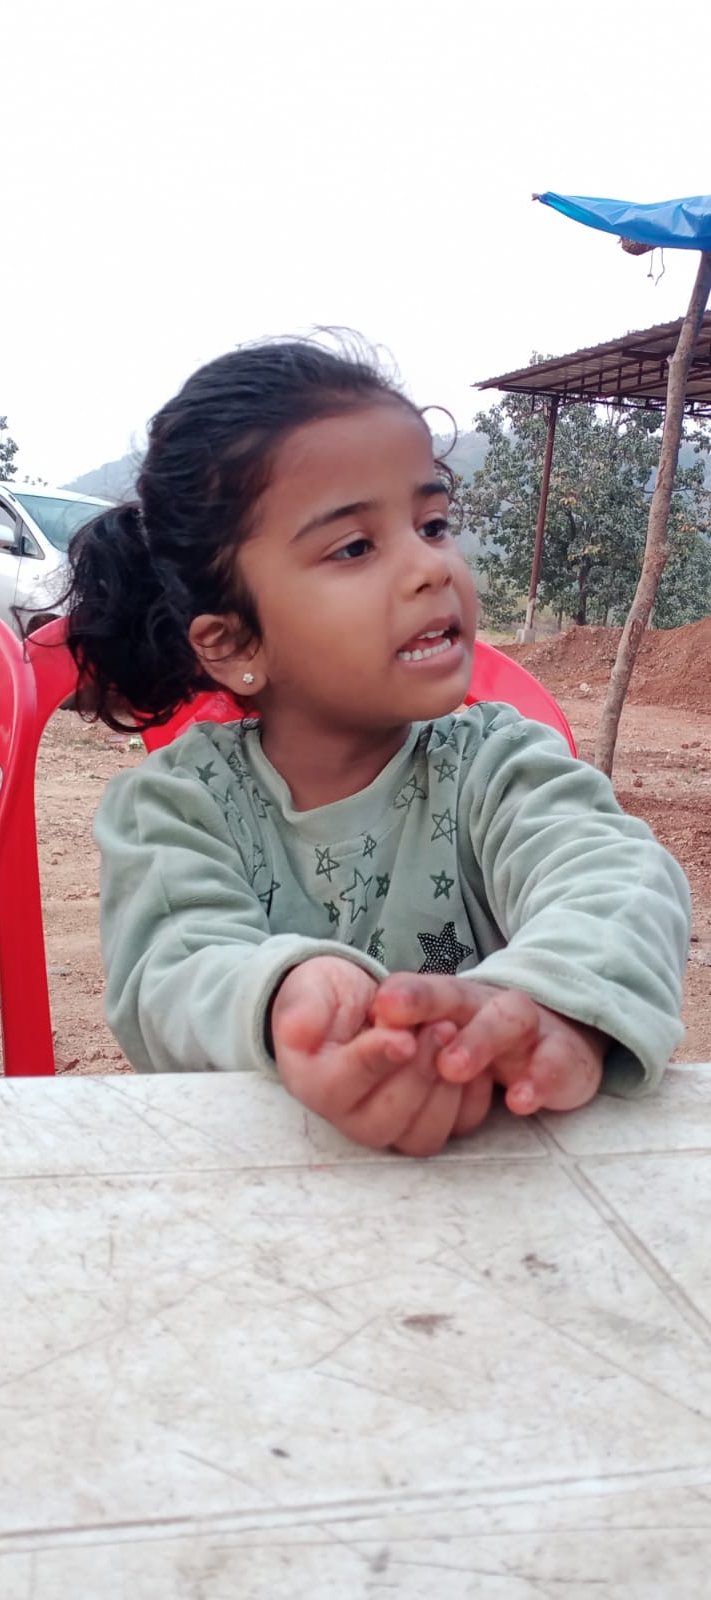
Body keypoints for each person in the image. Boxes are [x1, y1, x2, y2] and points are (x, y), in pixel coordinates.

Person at [64, 339, 691, 1156]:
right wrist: (286, 996)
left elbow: (619, 879)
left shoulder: (497, 765)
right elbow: (171, 968)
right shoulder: (174, 808)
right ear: (235, 643)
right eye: (354, 547)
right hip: (268, 1185)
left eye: (432, 524)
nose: (431, 566)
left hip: (491, 1181)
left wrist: (547, 1004)